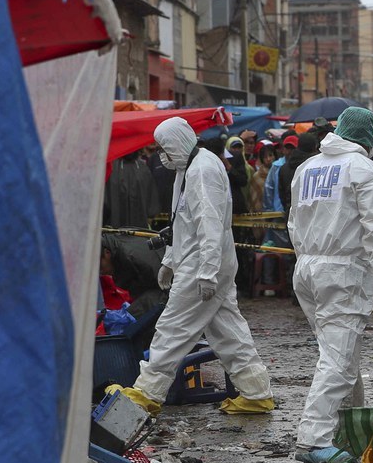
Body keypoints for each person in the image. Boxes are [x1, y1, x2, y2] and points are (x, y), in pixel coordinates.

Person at [110, 117, 274, 415]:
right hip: (202, 260)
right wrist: (170, 260)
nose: (161, 155)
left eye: (164, 148)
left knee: (173, 326)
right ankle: (256, 392)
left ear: (178, 143)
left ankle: (148, 392)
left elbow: (208, 224)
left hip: (203, 262)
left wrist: (207, 272)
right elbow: (181, 223)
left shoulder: (202, 170)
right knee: (227, 330)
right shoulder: (188, 168)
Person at [288, 107, 373, 463]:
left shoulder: (306, 168)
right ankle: (313, 438)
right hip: (343, 271)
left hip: (307, 266)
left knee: (340, 353)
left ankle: (349, 427)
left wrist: (307, 258)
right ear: (368, 137)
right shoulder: (363, 169)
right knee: (337, 358)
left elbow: (293, 222)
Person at [104, 150, 160, 228]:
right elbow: (106, 197)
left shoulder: (142, 168)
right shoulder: (112, 168)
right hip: (115, 223)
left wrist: (151, 214)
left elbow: (150, 194)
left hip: (139, 223)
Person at [279, 133, 321, 218]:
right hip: (311, 215)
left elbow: (282, 195)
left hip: (291, 214)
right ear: (314, 147)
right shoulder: (316, 166)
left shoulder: (284, 168)